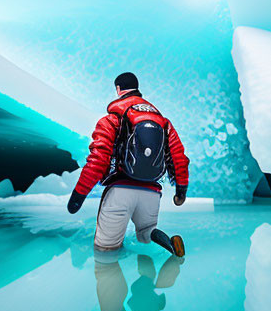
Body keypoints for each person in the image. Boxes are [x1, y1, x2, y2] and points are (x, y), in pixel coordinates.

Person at [67, 72, 189, 257]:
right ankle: (168, 244)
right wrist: (181, 190)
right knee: (147, 231)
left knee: (106, 251)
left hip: (120, 191)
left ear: (118, 89)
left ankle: (114, 281)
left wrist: (79, 195)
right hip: (151, 193)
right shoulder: (164, 122)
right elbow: (179, 157)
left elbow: (98, 159)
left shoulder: (112, 119)